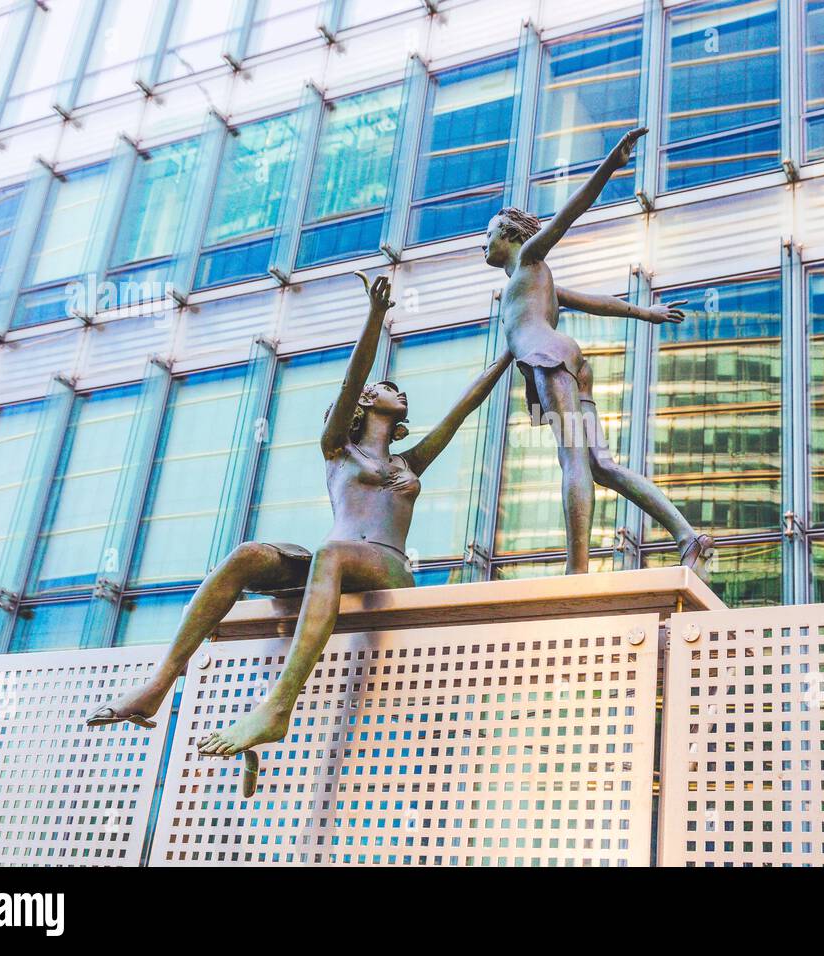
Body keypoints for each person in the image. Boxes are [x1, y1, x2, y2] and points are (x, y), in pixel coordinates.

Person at [88, 272, 513, 795]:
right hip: (332, 563)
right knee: (248, 555)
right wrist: (375, 318)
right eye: (385, 387)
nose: (396, 390)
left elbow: (463, 408)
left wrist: (509, 352)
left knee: (330, 554)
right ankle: (158, 684)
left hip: (384, 566)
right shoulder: (338, 449)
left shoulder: (408, 460)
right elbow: (352, 381)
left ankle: (277, 708)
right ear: (362, 404)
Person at [482, 126, 714, 578]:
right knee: (599, 465)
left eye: (489, 234)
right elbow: (597, 302)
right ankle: (687, 536)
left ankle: (577, 573)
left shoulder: (530, 260)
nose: (482, 243)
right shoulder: (532, 284)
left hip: (549, 360)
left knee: (572, 459)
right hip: (564, 363)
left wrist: (610, 166)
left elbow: (568, 214)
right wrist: (646, 313)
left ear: (510, 235)